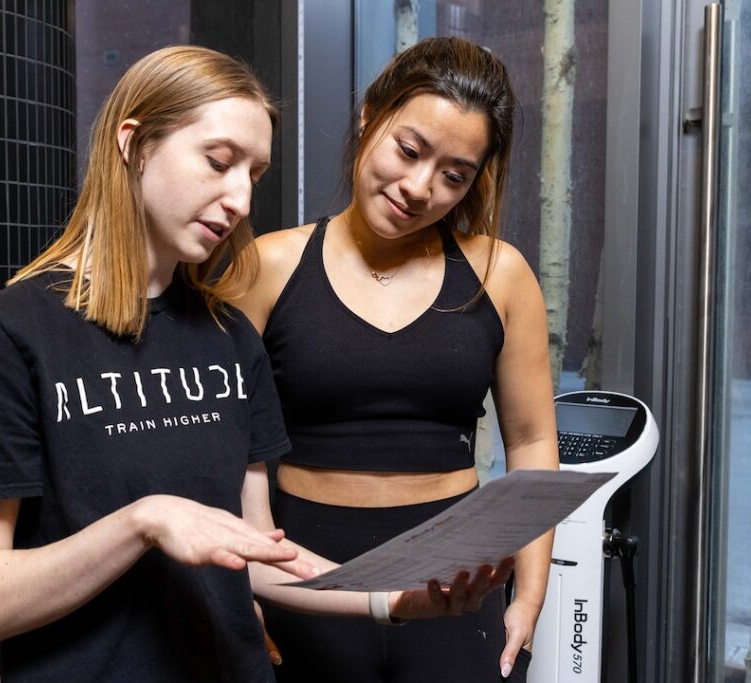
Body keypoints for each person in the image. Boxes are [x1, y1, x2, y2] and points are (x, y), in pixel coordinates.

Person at [0, 44, 511, 682]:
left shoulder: (229, 335)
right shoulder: (7, 336)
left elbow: (254, 552)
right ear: (135, 143)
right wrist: (145, 522)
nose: (238, 200)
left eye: (253, 175)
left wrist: (393, 602)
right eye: (218, 161)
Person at [236, 36, 560, 682]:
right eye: (409, 150)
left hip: (456, 584)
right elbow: (233, 448)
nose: (419, 187)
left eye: (454, 176)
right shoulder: (266, 266)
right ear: (369, 117)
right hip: (305, 575)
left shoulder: (502, 274)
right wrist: (247, 582)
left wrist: (530, 592)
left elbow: (531, 440)